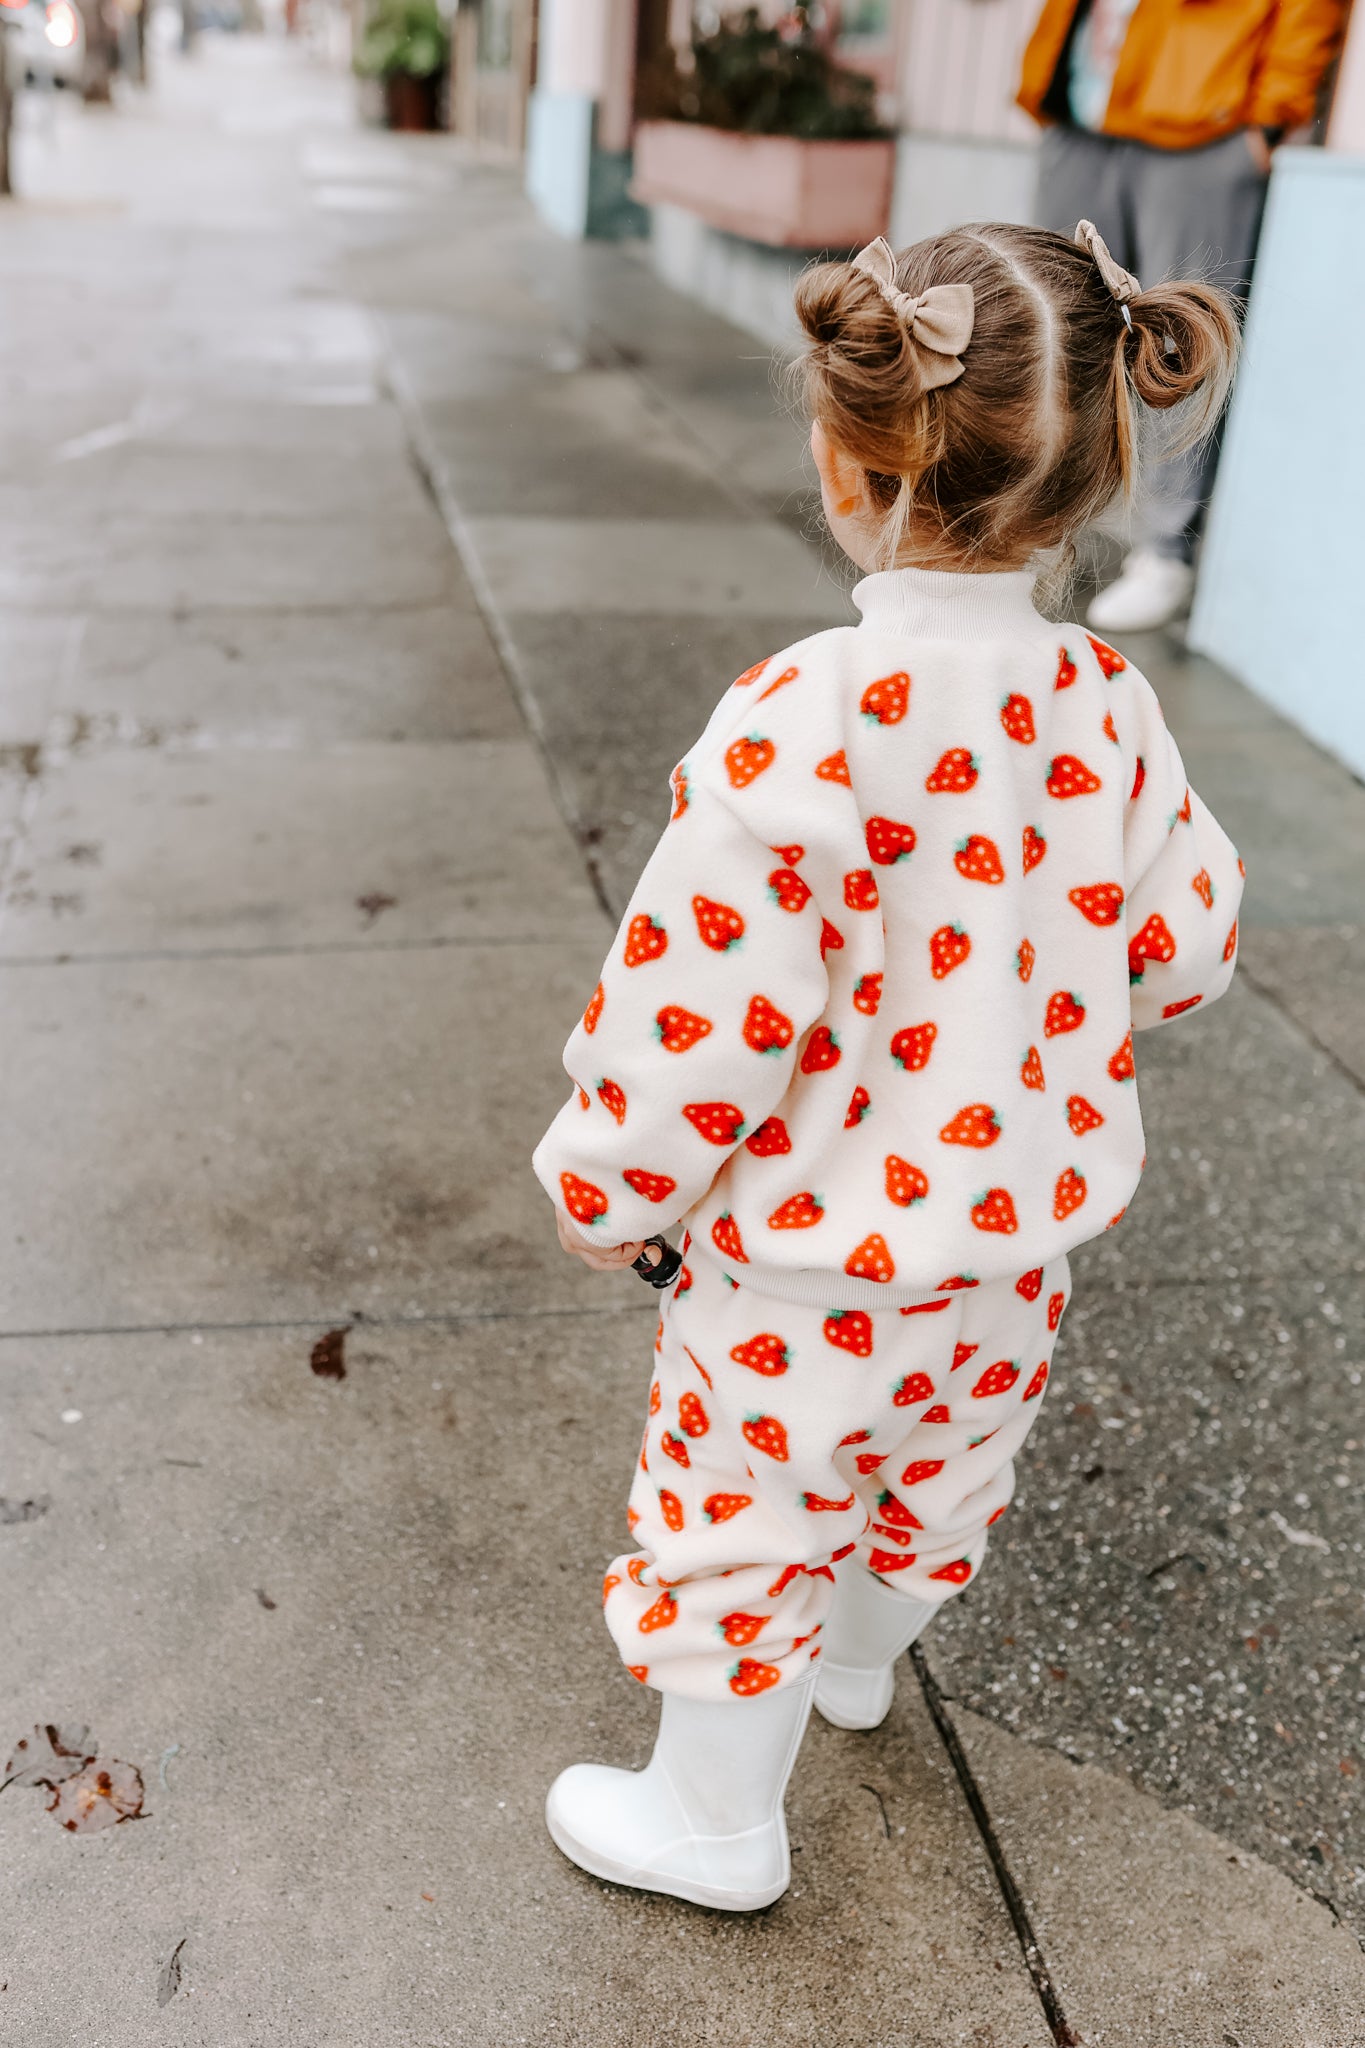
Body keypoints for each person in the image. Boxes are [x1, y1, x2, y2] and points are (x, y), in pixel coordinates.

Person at [532, 221, 1245, 1912]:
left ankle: (716, 1817)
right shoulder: (1109, 707)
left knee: (745, 1506)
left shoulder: (808, 717)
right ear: (1092, 474)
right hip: (1009, 1261)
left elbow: (695, 1009)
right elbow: (1189, 947)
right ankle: (859, 1665)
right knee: (935, 1476)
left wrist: (608, 1183)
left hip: (801, 1265)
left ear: (849, 461)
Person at [1019, 0, 1346, 632]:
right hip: (1082, 101)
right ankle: (1032, 516)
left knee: (1181, 339)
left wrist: (1270, 122)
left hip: (1206, 116)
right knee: (1052, 318)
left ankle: (1164, 550)